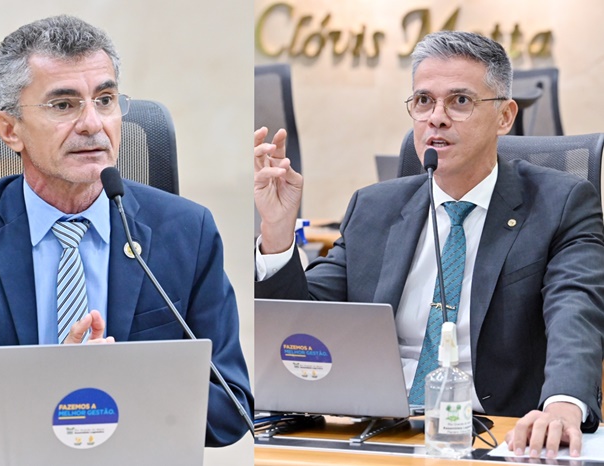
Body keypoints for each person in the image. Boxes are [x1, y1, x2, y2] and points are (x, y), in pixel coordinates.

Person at [0, 15, 253, 465]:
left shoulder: (187, 231)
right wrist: (47, 396)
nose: (92, 123)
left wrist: (109, 396)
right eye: (63, 105)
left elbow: (230, 404)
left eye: (105, 100)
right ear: (9, 130)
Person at [254, 30, 604, 459]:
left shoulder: (560, 203)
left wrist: (563, 406)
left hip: (493, 432)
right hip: (374, 433)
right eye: (423, 100)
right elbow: (303, 324)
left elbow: (576, 312)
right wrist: (277, 232)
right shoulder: (374, 208)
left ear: (504, 116)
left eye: (460, 101)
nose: (436, 118)